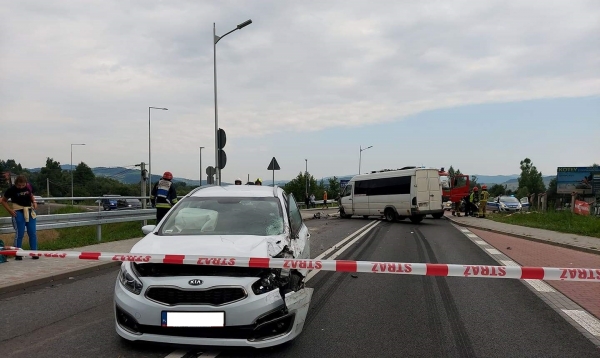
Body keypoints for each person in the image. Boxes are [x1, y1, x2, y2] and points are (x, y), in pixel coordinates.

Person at [1, 175, 38, 260]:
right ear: (16, 184)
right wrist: (10, 210)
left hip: (29, 210)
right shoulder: (11, 190)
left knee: (32, 232)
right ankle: (18, 253)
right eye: (19, 185)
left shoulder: (29, 186)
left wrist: (34, 202)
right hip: (18, 211)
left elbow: (31, 194)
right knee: (20, 233)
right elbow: (3, 200)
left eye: (22, 185)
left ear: (26, 183)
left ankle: (34, 252)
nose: (21, 187)